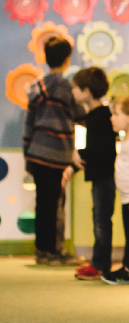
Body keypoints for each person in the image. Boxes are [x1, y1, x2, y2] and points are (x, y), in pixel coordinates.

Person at [23, 36, 83, 265]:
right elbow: (79, 115)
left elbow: (28, 123)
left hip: (37, 152)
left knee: (43, 203)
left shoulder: (37, 86)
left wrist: (27, 153)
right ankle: (55, 252)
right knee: (55, 203)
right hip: (57, 154)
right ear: (67, 59)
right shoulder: (65, 87)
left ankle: (42, 251)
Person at [68, 68, 116, 280]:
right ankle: (98, 262)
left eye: (75, 89)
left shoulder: (100, 117)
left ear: (87, 91)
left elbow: (103, 150)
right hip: (100, 176)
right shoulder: (97, 116)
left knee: (101, 221)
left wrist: (80, 154)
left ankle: (100, 264)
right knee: (100, 219)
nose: (73, 93)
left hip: (104, 177)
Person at [103, 95, 129, 285]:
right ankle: (127, 267)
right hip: (126, 197)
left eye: (116, 114)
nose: (112, 118)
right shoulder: (126, 140)